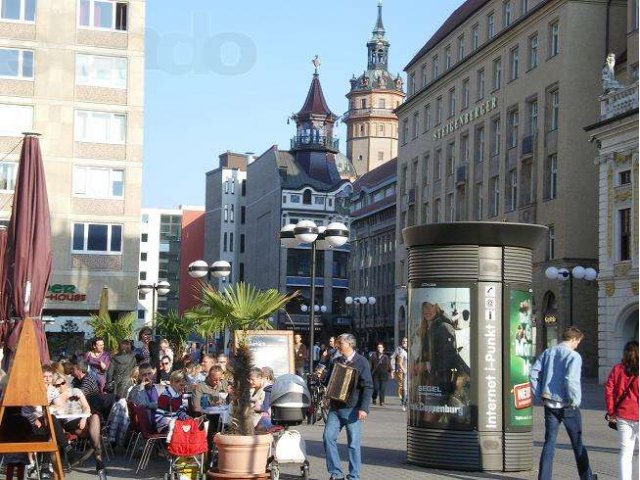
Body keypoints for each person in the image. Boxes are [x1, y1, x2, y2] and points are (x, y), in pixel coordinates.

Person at [530, 326, 596, 480]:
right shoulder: (574, 356)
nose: (577, 345)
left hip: (549, 403)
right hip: (567, 405)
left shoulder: (548, 352)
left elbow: (533, 372)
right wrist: (575, 401)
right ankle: (587, 477)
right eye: (578, 341)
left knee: (549, 443)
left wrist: (539, 394)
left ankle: (544, 478)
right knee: (577, 443)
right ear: (573, 339)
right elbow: (571, 380)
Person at [323, 333, 373, 480]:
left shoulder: (362, 362)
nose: (338, 346)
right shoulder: (336, 360)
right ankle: (336, 473)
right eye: (337, 344)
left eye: (341, 344)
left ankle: (354, 475)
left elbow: (368, 386)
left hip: (353, 409)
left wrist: (364, 408)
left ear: (349, 345)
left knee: (353, 444)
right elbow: (329, 381)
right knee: (328, 437)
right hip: (335, 408)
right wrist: (323, 379)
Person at [51, 372, 107, 480]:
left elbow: (86, 407)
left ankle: (97, 452)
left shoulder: (75, 391)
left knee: (95, 416)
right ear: (54, 386)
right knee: (92, 433)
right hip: (70, 422)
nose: (61, 386)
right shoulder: (55, 397)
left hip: (84, 417)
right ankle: (98, 459)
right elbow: (57, 413)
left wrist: (84, 418)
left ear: (66, 382)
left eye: (63, 383)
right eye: (57, 385)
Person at [604, 340, 638, 480]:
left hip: (623, 415)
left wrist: (611, 411)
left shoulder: (618, 369)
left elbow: (609, 391)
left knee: (625, 453)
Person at [370, 342, 391, 407]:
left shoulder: (386, 357)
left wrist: (391, 372)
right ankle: (374, 397)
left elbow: (389, 365)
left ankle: (382, 401)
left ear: (383, 348)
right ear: (377, 348)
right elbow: (370, 365)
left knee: (383, 388)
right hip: (375, 375)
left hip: (384, 375)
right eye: (378, 347)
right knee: (376, 388)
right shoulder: (373, 356)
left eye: (381, 347)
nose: (379, 348)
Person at [390, 337, 408, 411]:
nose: (404, 342)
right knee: (402, 386)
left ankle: (406, 401)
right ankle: (403, 401)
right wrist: (393, 370)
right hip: (401, 371)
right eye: (403, 341)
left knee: (408, 387)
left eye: (406, 341)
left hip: (411, 370)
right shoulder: (399, 349)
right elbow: (392, 358)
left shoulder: (411, 349)